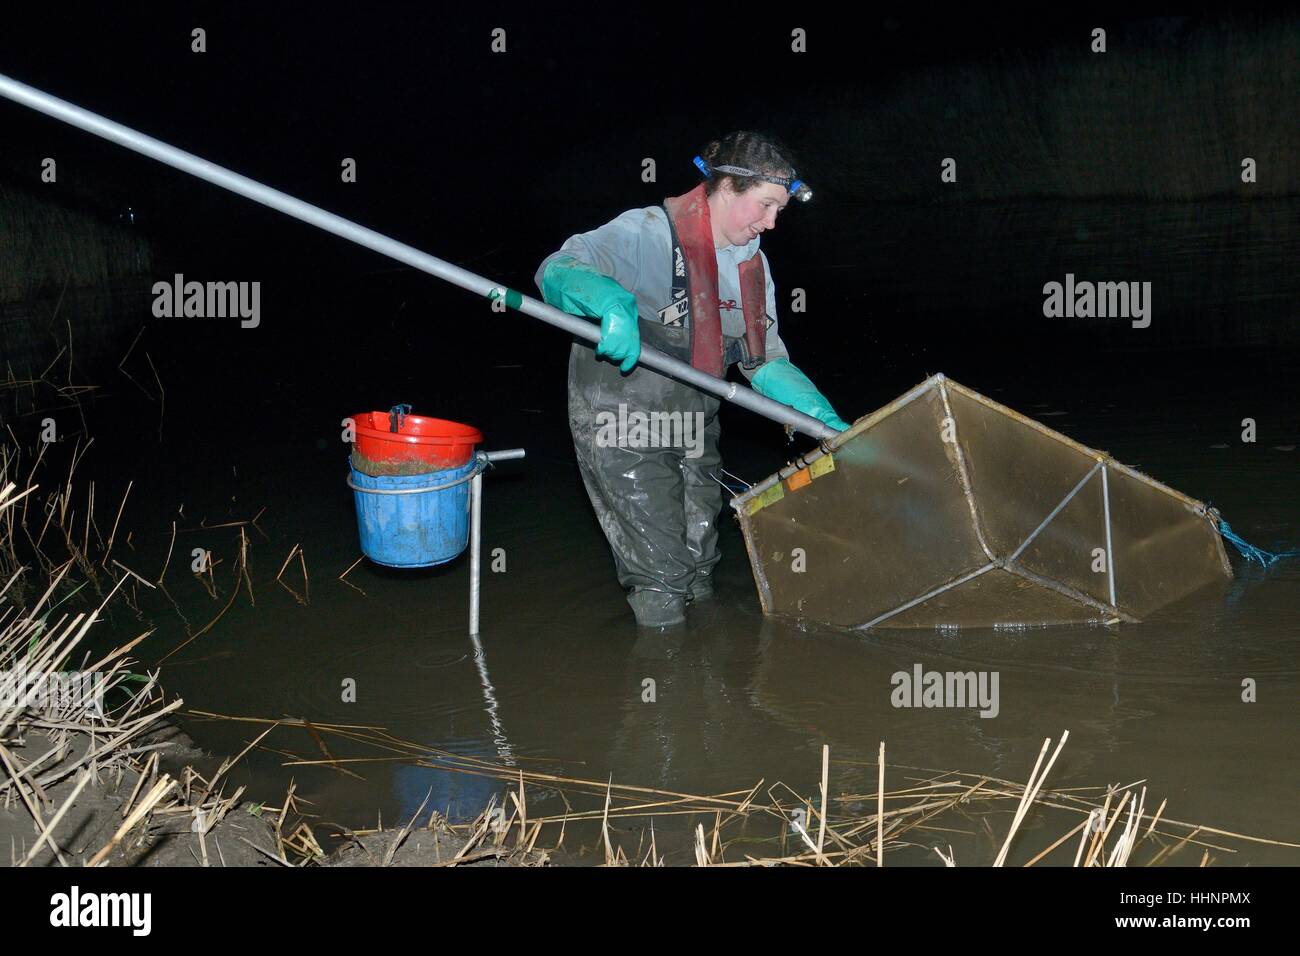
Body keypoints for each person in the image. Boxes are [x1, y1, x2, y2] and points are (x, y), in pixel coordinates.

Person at [534, 131, 849, 628]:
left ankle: (711, 673)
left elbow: (763, 361)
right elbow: (556, 269)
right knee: (662, 573)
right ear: (726, 187)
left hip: (694, 422)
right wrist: (609, 304)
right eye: (765, 206)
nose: (770, 223)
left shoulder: (753, 264)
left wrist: (818, 416)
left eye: (778, 212)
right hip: (622, 420)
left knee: (701, 561)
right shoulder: (647, 232)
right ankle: (664, 679)